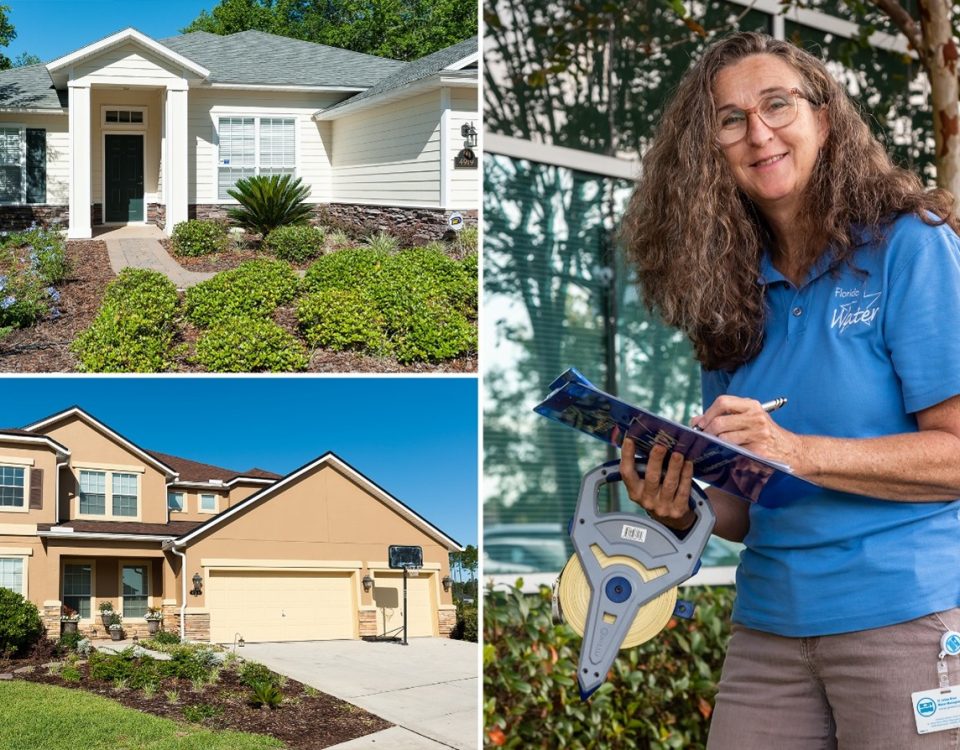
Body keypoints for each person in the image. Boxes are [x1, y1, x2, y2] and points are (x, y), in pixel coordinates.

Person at [618, 31, 960, 749]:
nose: (758, 132)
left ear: (825, 118)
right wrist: (683, 504)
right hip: (769, 630)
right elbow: (742, 509)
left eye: (778, 104)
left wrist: (797, 450)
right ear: (709, 150)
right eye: (730, 119)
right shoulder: (727, 291)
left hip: (909, 615)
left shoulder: (910, 246)